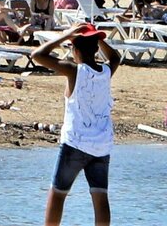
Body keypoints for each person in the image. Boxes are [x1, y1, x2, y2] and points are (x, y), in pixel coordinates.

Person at [30, 23, 121, 226]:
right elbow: (116, 58)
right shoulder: (105, 71)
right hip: (101, 145)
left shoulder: (74, 71)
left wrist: (65, 35)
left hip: (75, 144)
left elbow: (37, 55)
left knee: (58, 193)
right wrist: (98, 39)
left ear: (75, 50)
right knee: (100, 196)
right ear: (96, 48)